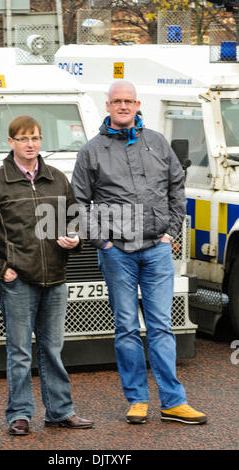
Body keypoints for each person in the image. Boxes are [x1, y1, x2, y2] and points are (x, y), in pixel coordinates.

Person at [71, 81, 207, 425]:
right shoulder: (91, 150)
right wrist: (102, 242)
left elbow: (177, 186)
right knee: (127, 327)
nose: (123, 106)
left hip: (156, 250)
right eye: (117, 101)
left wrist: (169, 232)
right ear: (107, 105)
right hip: (117, 252)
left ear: (137, 104)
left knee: (162, 326)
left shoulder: (158, 142)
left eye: (128, 100)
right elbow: (78, 203)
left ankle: (174, 402)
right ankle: (137, 400)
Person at [0, 115, 93, 435]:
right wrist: (2, 271)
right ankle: (19, 414)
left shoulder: (57, 178)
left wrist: (74, 237)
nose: (30, 144)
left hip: (55, 279)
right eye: (23, 139)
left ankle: (60, 412)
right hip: (18, 281)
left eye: (35, 138)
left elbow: (75, 217)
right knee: (20, 352)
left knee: (52, 350)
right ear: (10, 143)